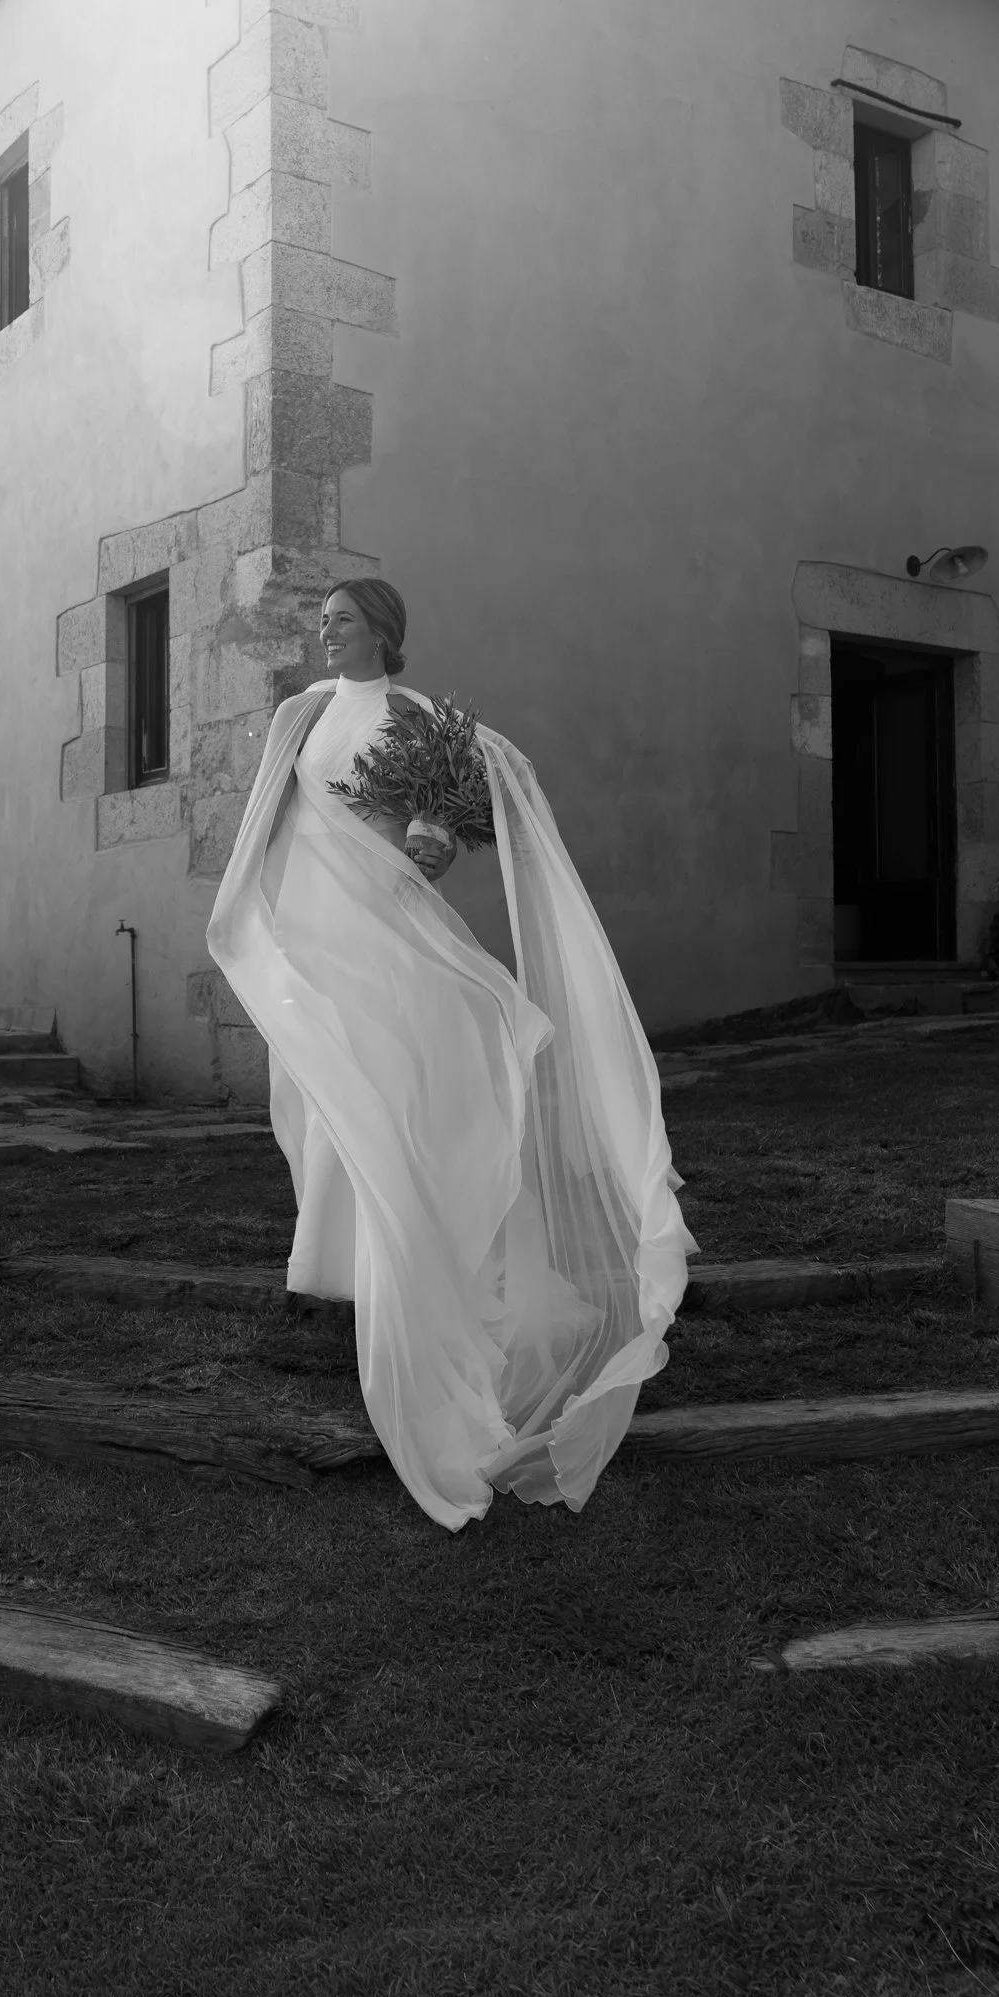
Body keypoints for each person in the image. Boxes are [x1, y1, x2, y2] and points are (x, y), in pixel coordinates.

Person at [206, 577, 696, 1532]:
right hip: (318, 929)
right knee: (326, 1098)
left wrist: (432, 837)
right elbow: (274, 824)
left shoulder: (425, 719)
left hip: (391, 927)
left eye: (341, 620)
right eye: (321, 621)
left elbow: (470, 805)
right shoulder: (299, 716)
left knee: (402, 1086)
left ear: (382, 632)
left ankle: (412, 1262)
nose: (325, 631)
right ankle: (346, 1263)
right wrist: (256, 918)